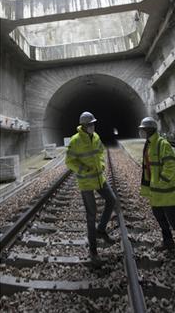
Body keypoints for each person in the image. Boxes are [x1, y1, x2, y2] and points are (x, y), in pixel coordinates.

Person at [66, 111, 118, 260]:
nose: (93, 126)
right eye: (90, 124)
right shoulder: (75, 141)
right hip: (85, 182)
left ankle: (101, 229)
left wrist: (101, 163)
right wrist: (83, 170)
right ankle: (93, 250)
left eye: (93, 124)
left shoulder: (96, 137)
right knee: (91, 214)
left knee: (112, 200)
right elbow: (69, 161)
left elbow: (101, 152)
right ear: (83, 125)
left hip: (99, 178)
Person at [139, 117, 175, 252]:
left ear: (151, 130)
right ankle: (168, 242)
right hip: (155, 192)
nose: (142, 132)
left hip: (166, 193)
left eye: (144, 129)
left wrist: (162, 181)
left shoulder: (162, 144)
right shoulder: (148, 144)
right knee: (161, 219)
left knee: (173, 220)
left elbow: (171, 165)